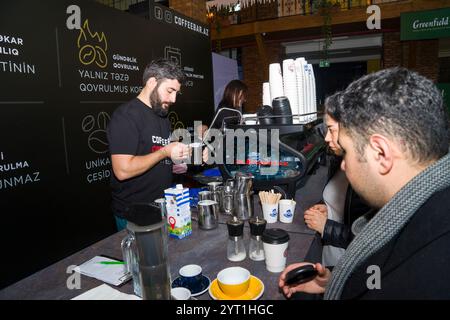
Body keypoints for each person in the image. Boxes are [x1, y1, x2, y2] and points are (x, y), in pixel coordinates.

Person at [279, 67, 450, 299]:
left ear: (381, 153)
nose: (343, 165)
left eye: (347, 151)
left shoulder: (433, 267)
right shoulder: (418, 216)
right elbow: (381, 275)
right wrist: (332, 283)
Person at [107, 58, 202, 230]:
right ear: (152, 82)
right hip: (134, 214)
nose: (173, 99)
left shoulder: (162, 116)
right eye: (170, 90)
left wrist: (169, 165)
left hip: (161, 208)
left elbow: (151, 154)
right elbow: (122, 170)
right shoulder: (126, 116)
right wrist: (164, 153)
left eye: (176, 93)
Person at [303, 92, 370, 268]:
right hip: (330, 260)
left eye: (331, 130)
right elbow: (344, 203)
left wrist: (326, 227)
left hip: (348, 268)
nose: (326, 138)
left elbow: (368, 239)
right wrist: (328, 207)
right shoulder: (338, 160)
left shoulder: (368, 179)